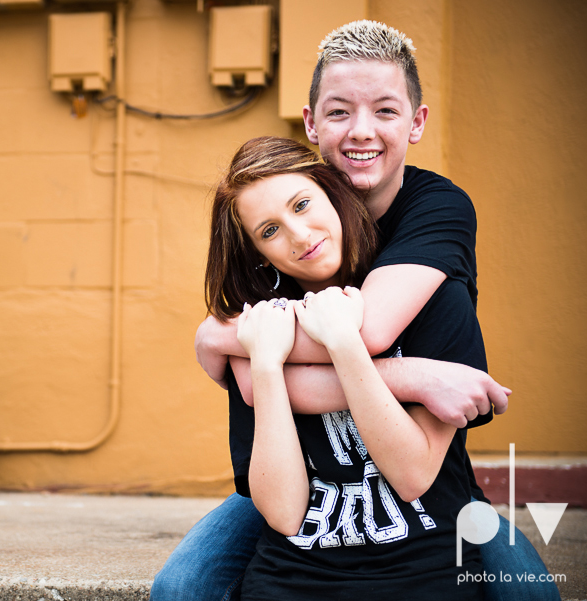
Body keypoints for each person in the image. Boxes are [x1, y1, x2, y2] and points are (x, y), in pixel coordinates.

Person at [151, 20, 558, 601]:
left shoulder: (435, 207)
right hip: (304, 487)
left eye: (385, 111)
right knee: (181, 586)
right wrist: (419, 375)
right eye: (339, 112)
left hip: (425, 488)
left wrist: (229, 339)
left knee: (530, 593)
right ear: (311, 123)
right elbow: (261, 385)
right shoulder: (271, 274)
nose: (361, 132)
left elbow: (363, 330)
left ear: (416, 122)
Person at [212, 135, 483, 598]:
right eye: (269, 230)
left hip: (423, 574)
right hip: (291, 580)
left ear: (333, 194)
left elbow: (412, 476)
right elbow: (283, 513)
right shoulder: (258, 328)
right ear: (259, 252)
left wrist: (342, 340)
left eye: (301, 204)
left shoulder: (434, 299)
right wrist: (265, 362)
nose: (299, 235)